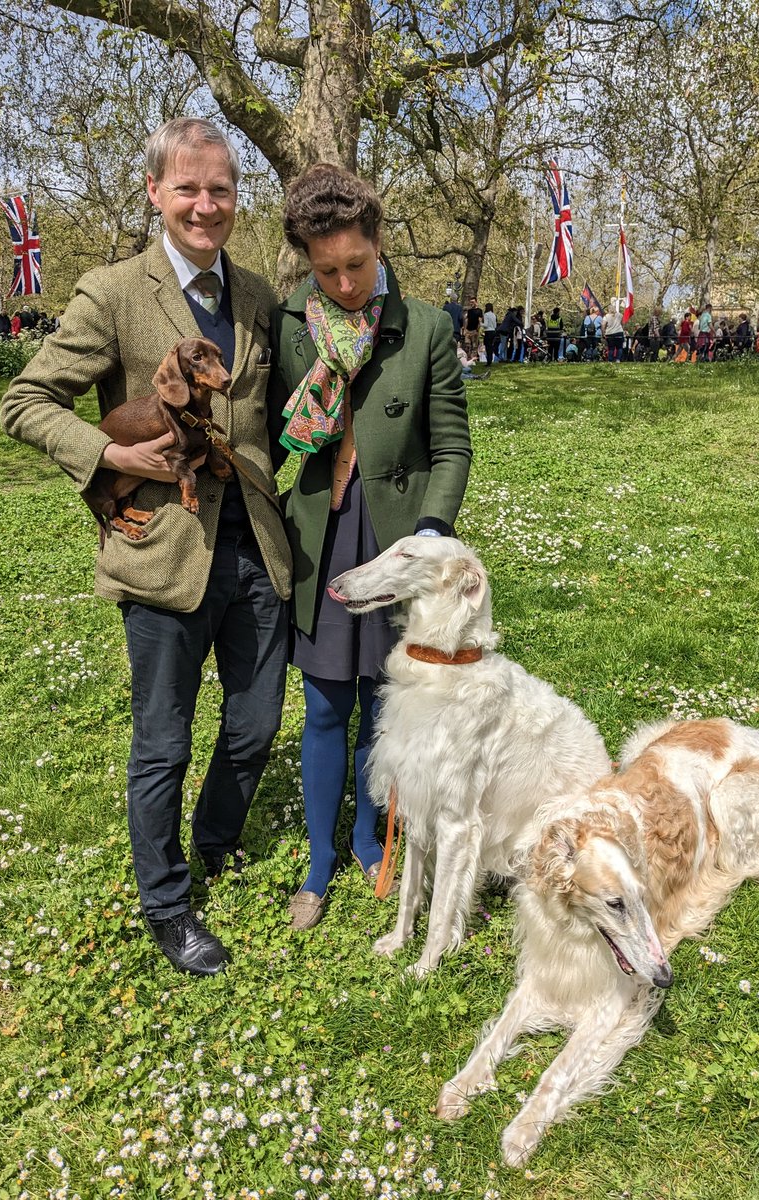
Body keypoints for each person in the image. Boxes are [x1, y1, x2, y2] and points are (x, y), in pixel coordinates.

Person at [0, 118, 292, 977]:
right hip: (165, 553)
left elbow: (268, 416)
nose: (206, 205)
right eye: (189, 189)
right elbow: (25, 400)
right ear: (157, 195)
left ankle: (217, 839)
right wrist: (111, 456)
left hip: (257, 550)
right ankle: (167, 904)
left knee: (255, 723)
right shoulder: (113, 292)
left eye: (221, 190)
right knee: (163, 742)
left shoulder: (258, 299)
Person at [268, 163, 472, 930]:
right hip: (323, 537)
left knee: (384, 706)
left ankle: (367, 838)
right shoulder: (289, 328)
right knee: (325, 708)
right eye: (328, 271)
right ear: (307, 264)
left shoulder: (425, 329)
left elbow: (450, 447)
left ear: (378, 243)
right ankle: (319, 861)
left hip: (396, 546)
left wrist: (431, 531)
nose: (346, 283)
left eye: (357, 264)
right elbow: (264, 436)